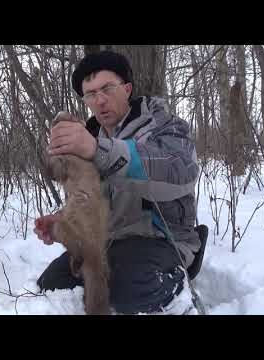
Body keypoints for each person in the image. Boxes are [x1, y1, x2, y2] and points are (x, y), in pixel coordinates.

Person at [34, 50, 202, 315]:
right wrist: (61, 222)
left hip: (160, 240)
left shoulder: (163, 125)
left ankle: (178, 288)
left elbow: (180, 172)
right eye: (90, 94)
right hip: (109, 243)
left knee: (127, 291)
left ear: (127, 89)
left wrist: (99, 151)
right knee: (51, 285)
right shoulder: (88, 138)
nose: (100, 100)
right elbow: (89, 200)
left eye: (107, 89)